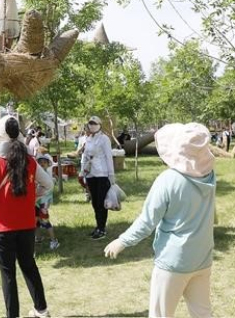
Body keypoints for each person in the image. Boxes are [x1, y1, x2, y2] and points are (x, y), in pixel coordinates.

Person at [103, 123, 216, 318]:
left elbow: (147, 221)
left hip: (174, 261)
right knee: (202, 313)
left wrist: (122, 241)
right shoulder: (209, 175)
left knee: (161, 314)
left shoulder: (168, 179)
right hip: (203, 257)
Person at [0, 116, 52, 318]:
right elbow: (48, 184)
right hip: (27, 224)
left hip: (2, 227)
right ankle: (42, 310)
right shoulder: (30, 160)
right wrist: (32, 196)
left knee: (8, 273)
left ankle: (13, 315)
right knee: (29, 265)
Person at [80, 115, 115, 239]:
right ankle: (98, 225)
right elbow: (85, 156)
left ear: (99, 125)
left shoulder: (104, 139)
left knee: (101, 202)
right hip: (90, 173)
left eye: (94, 123)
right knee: (95, 202)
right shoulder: (88, 138)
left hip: (102, 173)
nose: (92, 125)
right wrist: (82, 172)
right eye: (90, 123)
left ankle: (102, 228)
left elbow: (108, 157)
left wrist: (111, 175)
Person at [34, 152, 60, 250]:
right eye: (40, 162)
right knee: (35, 220)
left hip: (43, 202)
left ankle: (54, 240)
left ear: (47, 164)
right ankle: (38, 237)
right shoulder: (37, 174)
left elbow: (48, 190)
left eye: (44, 162)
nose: (42, 164)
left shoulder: (47, 176)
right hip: (35, 201)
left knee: (45, 221)